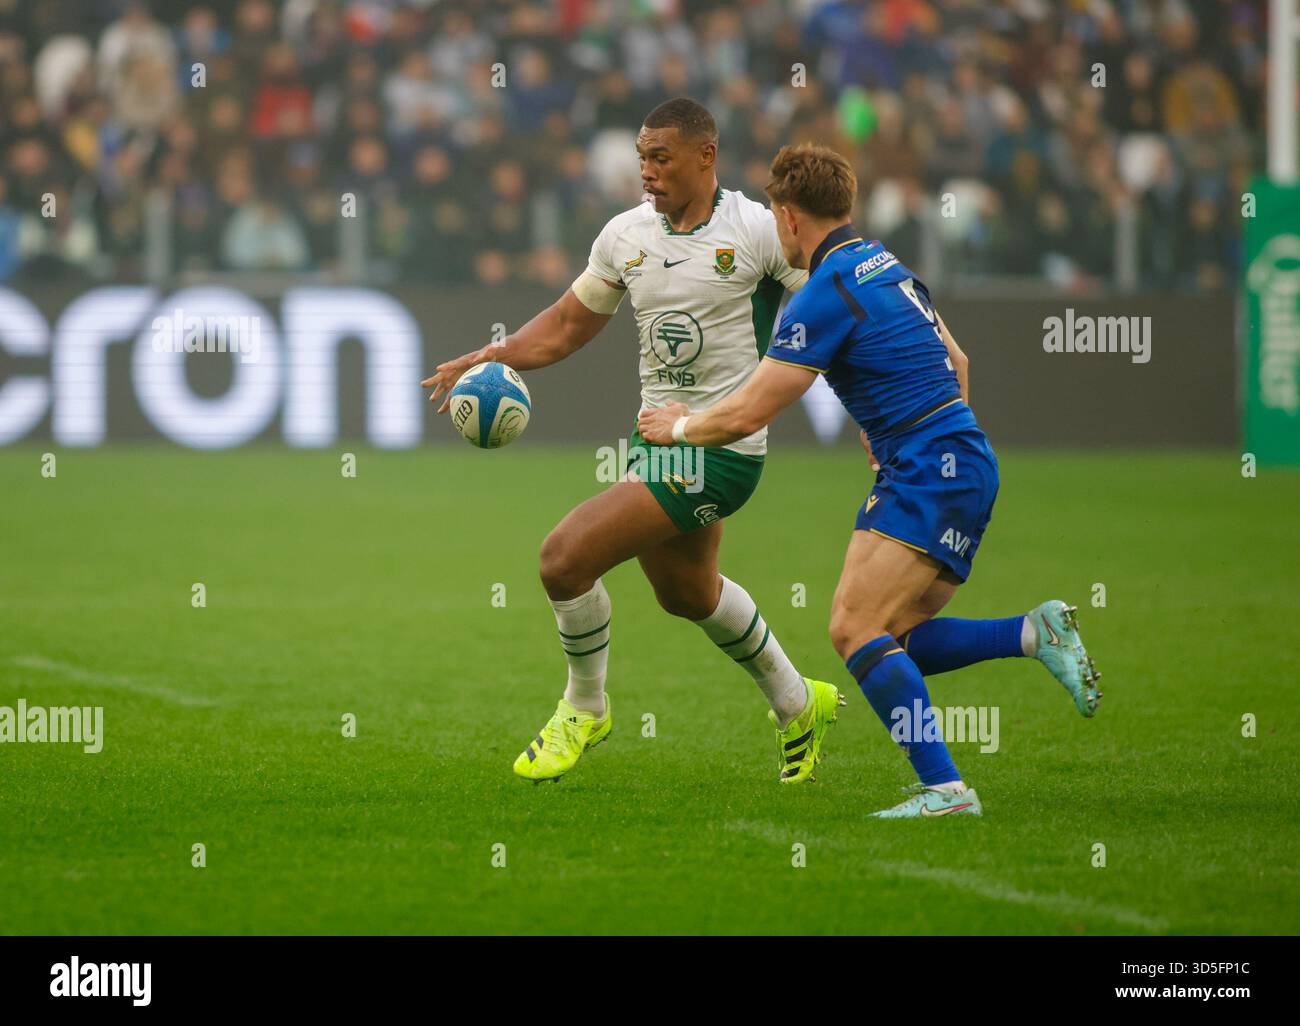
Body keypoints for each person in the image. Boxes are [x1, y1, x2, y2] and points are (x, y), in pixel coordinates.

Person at [638, 143, 1101, 817]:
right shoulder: (885, 263)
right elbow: (957, 359)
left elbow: (747, 413)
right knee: (896, 635)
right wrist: (922, 439)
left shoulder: (823, 294)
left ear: (790, 218)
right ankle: (1033, 635)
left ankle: (946, 790)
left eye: (775, 216)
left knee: (853, 629)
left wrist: (678, 426)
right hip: (963, 458)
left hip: (928, 467)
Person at [423, 100, 844, 786]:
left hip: (721, 451)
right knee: (687, 592)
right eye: (642, 159)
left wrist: (883, 414)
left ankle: (584, 707)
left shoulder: (760, 232)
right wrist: (488, 354)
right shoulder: (625, 236)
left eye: (661, 158)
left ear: (705, 156)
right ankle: (800, 704)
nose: (646, 172)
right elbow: (566, 326)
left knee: (563, 559)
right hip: (655, 440)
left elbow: (835, 308)